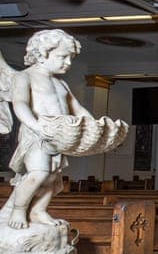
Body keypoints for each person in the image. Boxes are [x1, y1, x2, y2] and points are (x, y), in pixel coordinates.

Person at [1, 30, 93, 229]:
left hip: (58, 136)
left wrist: (93, 123)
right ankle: (18, 209)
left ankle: (38, 210)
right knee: (39, 173)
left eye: (70, 58)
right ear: (43, 53)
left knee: (53, 177)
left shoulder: (62, 84)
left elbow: (77, 108)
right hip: (36, 135)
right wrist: (36, 126)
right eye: (62, 57)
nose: (68, 62)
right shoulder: (24, 77)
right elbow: (20, 104)